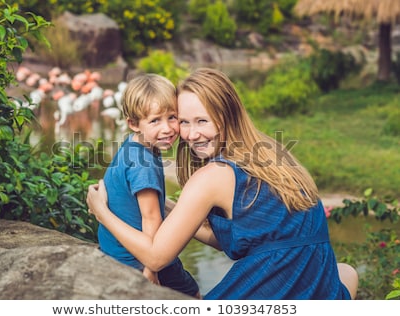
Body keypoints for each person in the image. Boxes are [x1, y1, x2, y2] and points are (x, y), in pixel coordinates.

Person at [87, 68, 358, 300]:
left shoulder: (212, 175)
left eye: (202, 121)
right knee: (346, 272)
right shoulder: (273, 155)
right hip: (316, 284)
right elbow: (236, 238)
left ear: (226, 116)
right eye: (183, 122)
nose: (192, 135)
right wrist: (173, 209)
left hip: (274, 287)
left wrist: (102, 212)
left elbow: (156, 259)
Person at [96, 73, 200, 298]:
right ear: (133, 123)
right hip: (137, 257)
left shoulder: (134, 145)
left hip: (113, 248)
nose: (167, 129)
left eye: (172, 117)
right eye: (155, 120)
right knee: (192, 294)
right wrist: (151, 268)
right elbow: (151, 218)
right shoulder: (144, 165)